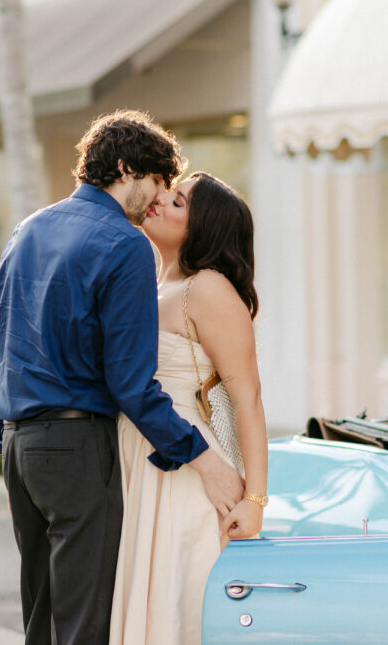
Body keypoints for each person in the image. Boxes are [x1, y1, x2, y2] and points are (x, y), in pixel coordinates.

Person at [0, 112, 244, 645]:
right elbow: (131, 382)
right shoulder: (123, 243)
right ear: (126, 168)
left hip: (18, 446)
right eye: (155, 184)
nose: (156, 201)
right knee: (84, 622)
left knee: (43, 616)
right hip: (77, 447)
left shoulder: (26, 229)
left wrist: (6, 447)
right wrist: (203, 457)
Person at [110, 171, 269, 645]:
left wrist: (255, 499)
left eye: (176, 201)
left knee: (178, 600)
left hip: (186, 470)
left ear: (201, 229)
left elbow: (249, 398)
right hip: (138, 458)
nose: (159, 201)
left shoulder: (208, 288)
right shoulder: (152, 283)